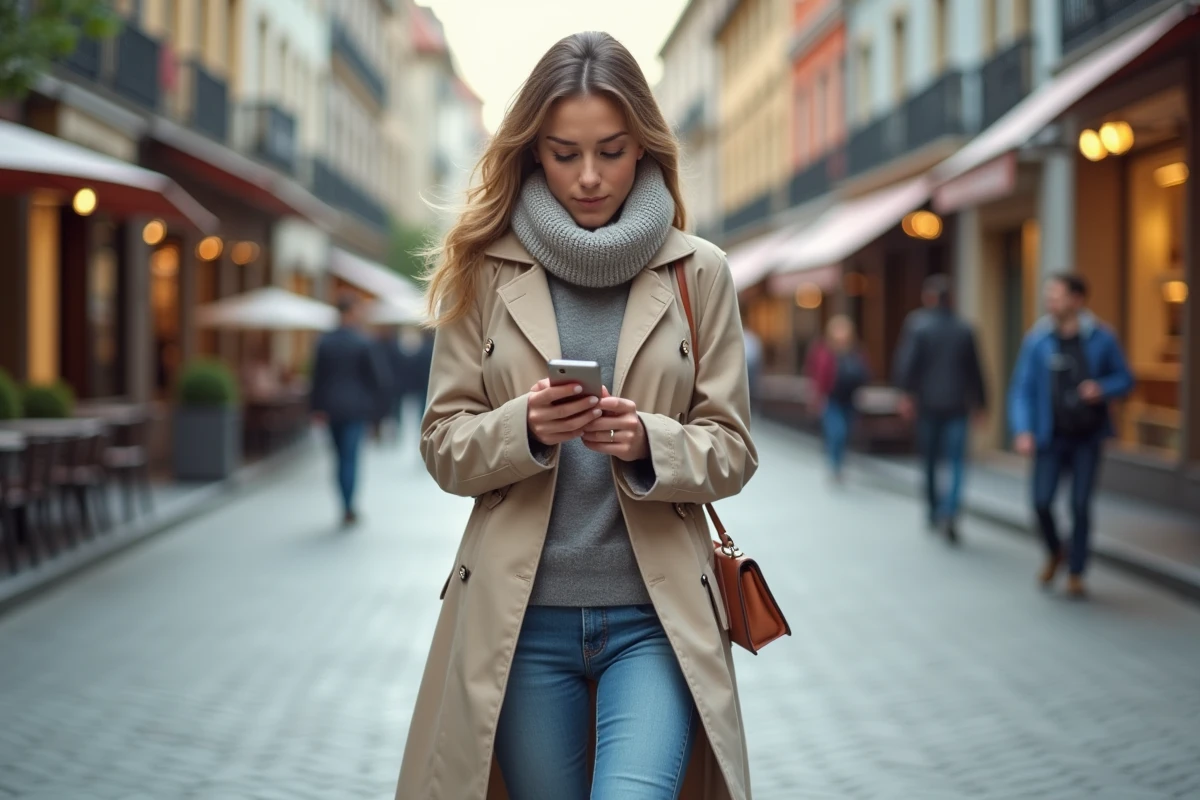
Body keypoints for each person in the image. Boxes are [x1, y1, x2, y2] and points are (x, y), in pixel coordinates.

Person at [394, 32, 758, 800]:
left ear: (643, 147)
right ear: (534, 151)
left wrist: (649, 442)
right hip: (520, 623)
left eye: (611, 151)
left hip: (656, 619)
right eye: (565, 154)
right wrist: (523, 429)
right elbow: (442, 443)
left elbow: (733, 447)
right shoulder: (484, 269)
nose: (589, 176)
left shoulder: (699, 272)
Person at [1009, 273, 1133, 598]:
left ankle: (1077, 572)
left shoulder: (1102, 337)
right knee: (1041, 502)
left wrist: (1101, 388)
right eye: (1048, 294)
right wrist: (1023, 429)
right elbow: (1022, 389)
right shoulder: (1037, 340)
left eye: (1057, 295)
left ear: (1077, 300)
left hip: (1087, 437)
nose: (1050, 300)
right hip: (1050, 436)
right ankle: (1056, 551)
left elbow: (1126, 379)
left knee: (1080, 504)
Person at [893, 274, 988, 544]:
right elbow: (976, 370)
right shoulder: (964, 328)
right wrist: (981, 403)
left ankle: (935, 509)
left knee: (931, 461)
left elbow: (907, 363)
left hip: (929, 405)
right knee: (956, 461)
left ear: (929, 298)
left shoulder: (918, 325)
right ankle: (950, 510)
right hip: (958, 405)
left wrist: (906, 395)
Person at [309, 294, 391, 527]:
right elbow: (378, 379)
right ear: (351, 312)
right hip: (356, 409)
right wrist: (379, 414)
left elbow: (317, 379)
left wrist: (315, 408)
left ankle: (344, 504)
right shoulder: (363, 342)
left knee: (339, 458)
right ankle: (348, 506)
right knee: (350, 458)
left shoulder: (325, 342)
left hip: (332, 409)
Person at [805, 315, 869, 482]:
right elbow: (816, 374)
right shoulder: (824, 351)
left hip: (849, 399)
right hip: (831, 399)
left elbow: (864, 372)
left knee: (846, 433)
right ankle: (834, 464)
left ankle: (839, 461)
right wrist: (816, 396)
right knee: (837, 432)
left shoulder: (855, 351)